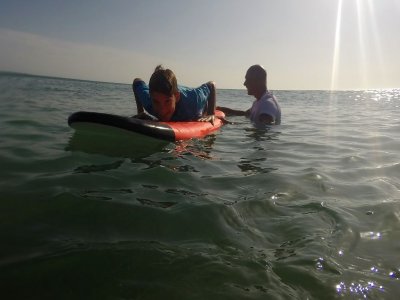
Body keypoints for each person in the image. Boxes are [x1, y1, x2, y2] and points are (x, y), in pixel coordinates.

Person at [132, 65, 216, 123]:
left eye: (167, 101)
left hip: (196, 103)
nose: (162, 110)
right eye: (156, 102)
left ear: (177, 97)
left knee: (200, 112)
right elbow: (137, 81)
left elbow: (211, 85)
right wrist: (140, 112)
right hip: (174, 92)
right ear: (151, 97)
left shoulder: (194, 100)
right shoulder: (148, 101)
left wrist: (211, 113)